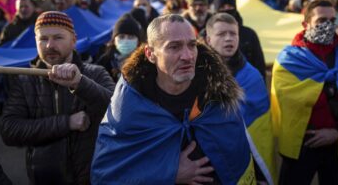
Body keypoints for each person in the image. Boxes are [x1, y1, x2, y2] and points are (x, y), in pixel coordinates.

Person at [91, 14, 257, 184]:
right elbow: (106, 175)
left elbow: (239, 158)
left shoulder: (217, 99)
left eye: (192, 45)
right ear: (150, 54)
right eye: (174, 47)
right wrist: (168, 174)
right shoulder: (127, 107)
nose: (187, 56)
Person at [0, 11, 115, 185]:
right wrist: (66, 123)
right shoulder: (25, 80)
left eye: (58, 38)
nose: (49, 46)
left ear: (74, 40)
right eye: (43, 39)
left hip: (91, 177)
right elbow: (10, 130)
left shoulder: (95, 73)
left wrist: (80, 84)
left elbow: (118, 113)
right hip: (44, 178)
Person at [272, 0, 338, 185]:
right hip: (302, 144)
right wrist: (336, 88)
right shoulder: (288, 59)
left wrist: (337, 132)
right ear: (306, 24)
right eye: (321, 20)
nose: (328, 25)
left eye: (332, 19)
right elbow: (288, 99)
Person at [205, 13, 275, 184]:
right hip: (205, 161)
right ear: (208, 39)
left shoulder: (252, 77)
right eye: (221, 34)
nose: (229, 39)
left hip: (243, 160)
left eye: (233, 33)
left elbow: (259, 132)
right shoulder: (193, 72)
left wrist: (259, 176)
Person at [213, 0, 267, 80]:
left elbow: (259, 65)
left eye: (230, 6)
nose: (227, 9)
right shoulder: (205, 35)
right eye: (222, 7)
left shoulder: (249, 34)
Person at [96, 13, 142, 82]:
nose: (126, 41)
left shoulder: (144, 63)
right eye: (121, 37)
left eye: (131, 37)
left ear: (138, 41)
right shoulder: (104, 62)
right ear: (114, 40)